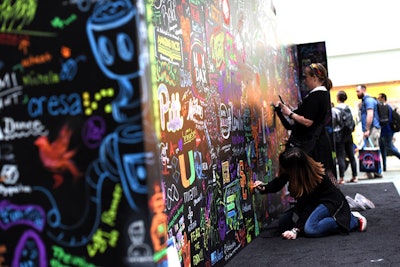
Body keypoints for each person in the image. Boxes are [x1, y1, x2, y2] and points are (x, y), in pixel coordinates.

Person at [254, 147, 367, 239]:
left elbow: (308, 205)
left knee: (311, 229)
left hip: (330, 202)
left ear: (295, 169)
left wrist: (296, 230)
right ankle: (336, 219)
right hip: (312, 204)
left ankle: (352, 220)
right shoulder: (292, 169)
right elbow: (278, 182)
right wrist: (264, 187)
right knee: (284, 222)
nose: (282, 169)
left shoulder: (316, 178)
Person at [275, 63, 335, 183]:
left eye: (306, 76)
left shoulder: (316, 96)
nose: (304, 80)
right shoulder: (321, 95)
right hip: (316, 143)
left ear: (314, 78)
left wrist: (290, 113)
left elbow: (308, 121)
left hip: (313, 145)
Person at [356, 84, 382, 178]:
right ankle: (376, 172)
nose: (357, 93)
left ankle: (370, 173)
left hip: (372, 129)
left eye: (358, 91)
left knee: (370, 152)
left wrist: (367, 129)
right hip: (372, 129)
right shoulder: (366, 101)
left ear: (363, 90)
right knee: (374, 151)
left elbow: (370, 115)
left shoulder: (368, 100)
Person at [331, 91, 358, 183]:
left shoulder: (335, 110)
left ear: (338, 98)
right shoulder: (350, 108)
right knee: (351, 156)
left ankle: (341, 178)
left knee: (340, 156)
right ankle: (355, 176)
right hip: (349, 135)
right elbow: (355, 121)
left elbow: (333, 123)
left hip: (339, 135)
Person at [378, 93, 400, 171]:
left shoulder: (386, 107)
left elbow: (389, 120)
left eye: (379, 98)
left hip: (387, 131)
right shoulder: (384, 107)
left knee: (390, 148)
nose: (378, 99)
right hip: (383, 131)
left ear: (383, 98)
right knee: (382, 149)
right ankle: (384, 166)